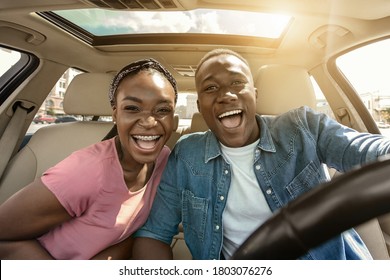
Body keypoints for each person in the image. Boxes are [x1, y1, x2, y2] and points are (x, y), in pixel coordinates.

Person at [132, 48, 390, 260]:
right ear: (200, 106)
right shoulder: (187, 155)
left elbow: (369, 150)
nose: (226, 95)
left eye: (237, 82)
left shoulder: (303, 127)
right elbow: (153, 234)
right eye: (211, 88)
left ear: (254, 95)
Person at [0, 58, 177, 260]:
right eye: (132, 108)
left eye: (163, 110)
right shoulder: (84, 172)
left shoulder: (165, 158)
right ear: (115, 114)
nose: (148, 122)